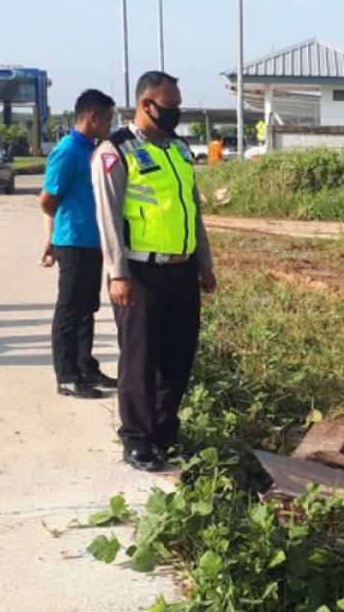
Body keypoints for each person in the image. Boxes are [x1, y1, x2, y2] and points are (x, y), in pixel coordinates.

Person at [91, 71, 217, 472]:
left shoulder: (179, 149)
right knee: (140, 360)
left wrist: (204, 263)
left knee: (178, 357)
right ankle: (137, 439)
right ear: (147, 105)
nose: (175, 113)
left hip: (181, 271)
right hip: (140, 274)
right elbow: (108, 216)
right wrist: (117, 273)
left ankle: (165, 432)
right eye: (170, 106)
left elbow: (192, 210)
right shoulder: (116, 151)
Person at [40, 89, 118, 399]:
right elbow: (47, 200)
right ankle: (67, 375)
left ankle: (86, 367)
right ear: (92, 117)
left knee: (87, 307)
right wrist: (54, 235)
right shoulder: (68, 151)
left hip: (92, 242)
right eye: (108, 119)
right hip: (72, 242)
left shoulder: (92, 149)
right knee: (70, 310)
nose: (110, 125)